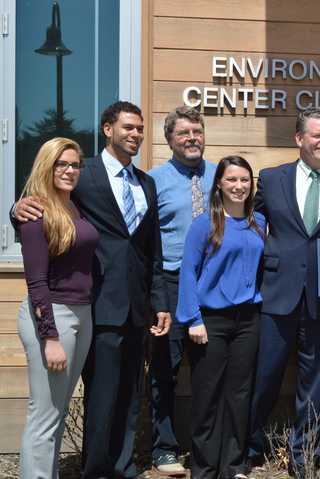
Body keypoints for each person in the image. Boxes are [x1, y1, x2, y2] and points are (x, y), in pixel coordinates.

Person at [13, 101, 171, 479]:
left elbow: (152, 250)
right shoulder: (82, 173)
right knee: (100, 397)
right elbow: (42, 204)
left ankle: (123, 468)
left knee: (128, 398)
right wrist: (15, 211)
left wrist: (159, 301)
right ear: (107, 129)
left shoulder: (146, 183)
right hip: (94, 306)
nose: (135, 134)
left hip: (136, 307)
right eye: (128, 127)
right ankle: (97, 471)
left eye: (140, 128)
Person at [247, 108, 320, 479]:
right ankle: (250, 447)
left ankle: (303, 457)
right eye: (317, 135)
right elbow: (252, 229)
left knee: (315, 383)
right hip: (277, 293)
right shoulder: (270, 178)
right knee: (265, 375)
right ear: (299, 139)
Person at [175, 156, 265, 479]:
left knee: (239, 394)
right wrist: (192, 318)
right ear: (220, 184)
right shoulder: (205, 224)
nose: (239, 186)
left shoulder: (259, 222)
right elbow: (188, 271)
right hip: (209, 320)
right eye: (232, 180)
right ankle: (204, 467)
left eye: (245, 180)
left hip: (248, 320)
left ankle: (233, 465)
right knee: (207, 394)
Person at [16, 138, 99, 478]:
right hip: (53, 316)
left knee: (58, 411)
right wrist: (49, 336)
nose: (69, 171)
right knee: (45, 414)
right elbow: (36, 283)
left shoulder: (73, 204)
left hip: (82, 313)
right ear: (46, 167)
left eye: (74, 165)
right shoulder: (36, 212)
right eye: (61, 164)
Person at [147, 106, 216, 476]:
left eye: (197, 131)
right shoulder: (153, 181)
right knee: (165, 369)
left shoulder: (222, 175)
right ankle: (164, 447)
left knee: (210, 369)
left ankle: (207, 447)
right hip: (172, 284)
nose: (192, 138)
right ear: (169, 139)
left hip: (213, 285)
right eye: (183, 133)